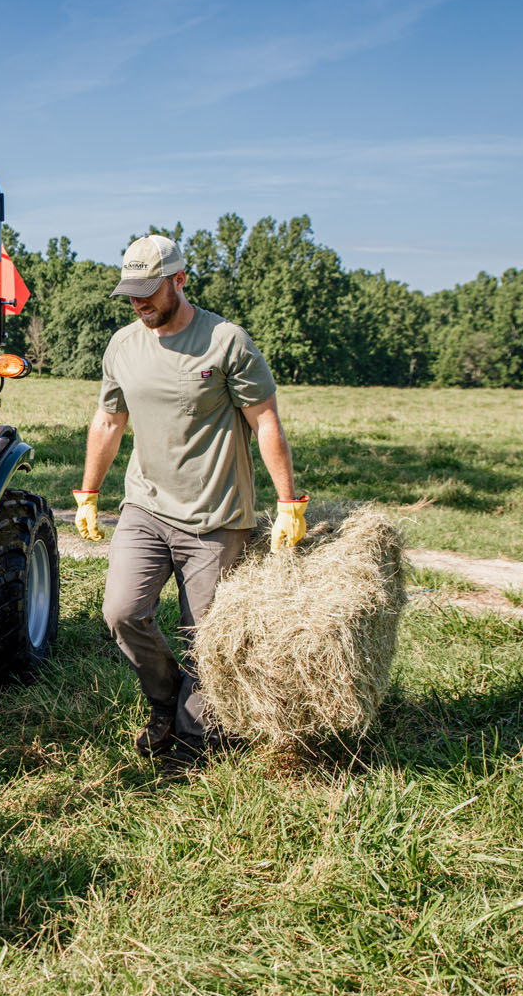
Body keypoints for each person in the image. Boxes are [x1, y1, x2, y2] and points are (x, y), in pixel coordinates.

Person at [73, 234, 306, 758]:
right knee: (122, 612)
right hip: (146, 506)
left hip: (216, 514)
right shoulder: (123, 346)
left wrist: (289, 502)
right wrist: (88, 492)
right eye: (131, 293)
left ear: (179, 280)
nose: (139, 303)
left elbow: (265, 421)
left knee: (204, 636)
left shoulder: (226, 341)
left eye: (148, 291)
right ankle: (165, 700)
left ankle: (195, 736)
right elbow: (109, 420)